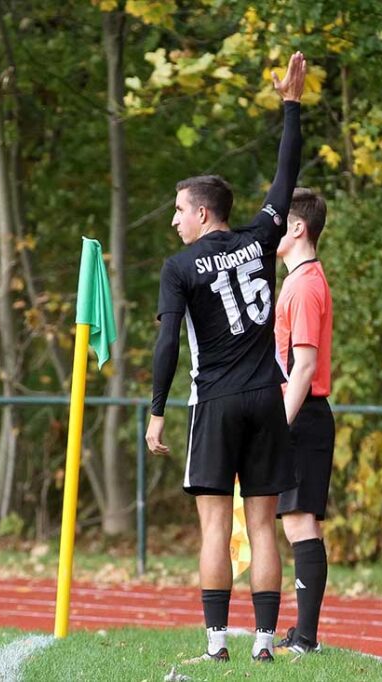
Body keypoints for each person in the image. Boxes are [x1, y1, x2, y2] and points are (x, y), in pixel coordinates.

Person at [146, 51, 306, 664]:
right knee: (264, 526)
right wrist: (290, 107)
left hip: (213, 399)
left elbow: (167, 342)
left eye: (180, 209)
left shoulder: (180, 267)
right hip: (267, 395)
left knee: (215, 527)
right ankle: (264, 644)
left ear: (203, 211)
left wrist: (157, 412)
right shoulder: (262, 236)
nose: (175, 219)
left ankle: (217, 645)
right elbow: (285, 180)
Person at [271, 187, 334, 657]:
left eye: (278, 220)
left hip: (303, 414)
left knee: (300, 522)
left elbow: (305, 367)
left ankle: (307, 639)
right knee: (295, 522)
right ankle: (303, 633)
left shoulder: (306, 284)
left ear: (297, 228)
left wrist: (280, 424)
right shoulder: (295, 281)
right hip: (297, 412)